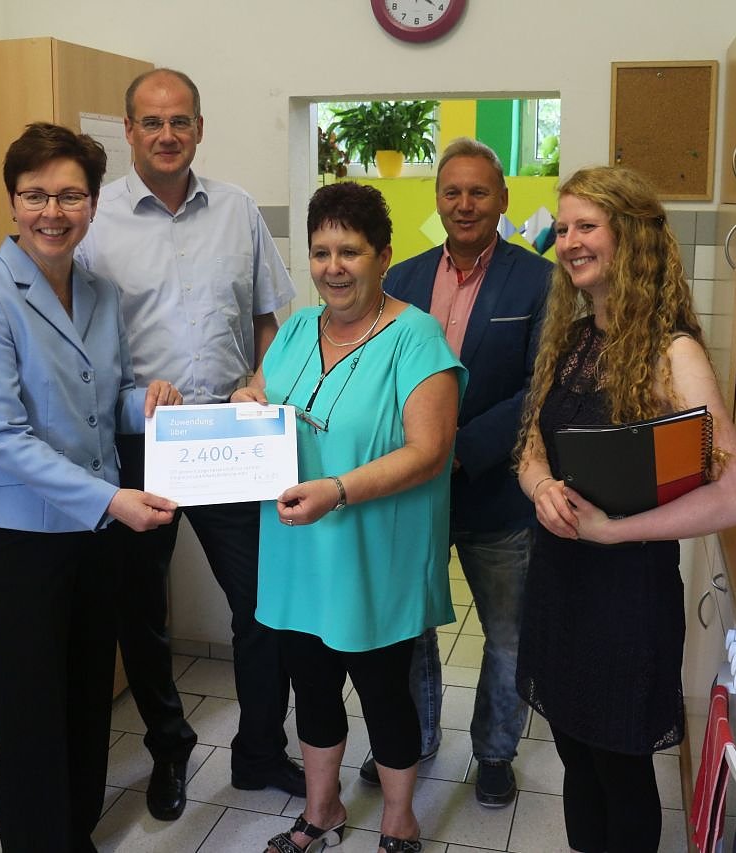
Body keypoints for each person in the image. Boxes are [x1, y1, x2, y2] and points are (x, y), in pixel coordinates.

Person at [0, 122, 182, 852]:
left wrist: (147, 403)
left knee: (85, 696)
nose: (53, 211)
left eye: (70, 195)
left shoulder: (100, 291)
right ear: (13, 202)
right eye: (36, 195)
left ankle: (73, 832)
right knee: (31, 714)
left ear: (92, 204)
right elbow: (1, 435)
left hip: (93, 533)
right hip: (18, 538)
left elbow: (104, 399)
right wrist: (111, 499)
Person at [75, 68, 300, 820]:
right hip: (140, 446)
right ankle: (169, 749)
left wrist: (262, 381)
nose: (167, 135)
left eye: (180, 121)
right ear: (129, 131)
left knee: (264, 604)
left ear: (199, 128)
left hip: (231, 438)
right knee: (143, 613)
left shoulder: (237, 210)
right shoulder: (95, 223)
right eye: (152, 122)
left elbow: (270, 320)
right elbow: (75, 344)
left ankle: (259, 751)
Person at [514, 165, 736, 852]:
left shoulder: (672, 353)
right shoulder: (572, 338)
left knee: (619, 768)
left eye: (587, 226)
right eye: (563, 228)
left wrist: (613, 531)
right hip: (559, 585)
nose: (569, 241)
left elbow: (735, 494)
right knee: (574, 753)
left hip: (626, 599)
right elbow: (532, 444)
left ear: (632, 236)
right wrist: (540, 486)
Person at [232, 181, 465, 853]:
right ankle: (322, 809)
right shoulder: (296, 329)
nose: (333, 267)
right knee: (312, 688)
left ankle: (399, 817)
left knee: (384, 692)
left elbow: (429, 451)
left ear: (383, 257)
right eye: (320, 252)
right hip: (298, 550)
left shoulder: (416, 337)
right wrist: (245, 398)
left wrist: (336, 490)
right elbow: (262, 391)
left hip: (373, 553)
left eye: (350, 252)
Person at [367, 137, 551, 807]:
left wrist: (461, 448)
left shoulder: (539, 280)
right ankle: (411, 741)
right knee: (410, 627)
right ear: (438, 199)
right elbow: (379, 373)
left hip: (496, 491)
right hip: (412, 492)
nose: (465, 204)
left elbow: (540, 386)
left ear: (502, 200)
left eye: (479, 192)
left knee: (507, 636)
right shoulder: (403, 279)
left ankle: (495, 753)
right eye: (453, 191)